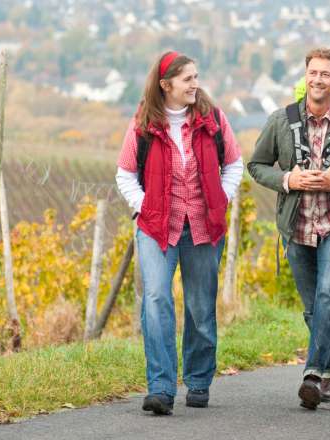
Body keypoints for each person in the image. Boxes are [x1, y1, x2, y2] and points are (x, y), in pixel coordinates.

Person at [115, 51, 243, 416]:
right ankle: (161, 387)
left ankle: (199, 380)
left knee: (201, 306)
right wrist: (145, 207)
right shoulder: (143, 123)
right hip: (158, 228)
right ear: (165, 84)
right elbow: (124, 173)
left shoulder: (213, 118)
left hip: (203, 226)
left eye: (196, 77)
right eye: (187, 79)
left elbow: (234, 163)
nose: (195, 84)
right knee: (155, 299)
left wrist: (222, 198)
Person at [247, 47, 330, 410]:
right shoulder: (281, 120)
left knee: (328, 294)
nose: (317, 79)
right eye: (312, 73)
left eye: (325, 74)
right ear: (305, 76)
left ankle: (313, 374)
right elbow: (256, 164)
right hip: (295, 225)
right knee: (313, 305)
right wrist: (288, 178)